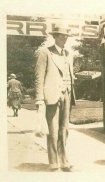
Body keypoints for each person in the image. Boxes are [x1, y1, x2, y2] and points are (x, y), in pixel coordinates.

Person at [35, 23, 76, 172]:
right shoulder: (45, 52)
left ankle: (64, 160)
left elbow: (69, 74)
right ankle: (53, 162)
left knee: (64, 130)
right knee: (53, 130)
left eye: (66, 36)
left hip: (67, 94)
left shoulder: (68, 54)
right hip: (51, 95)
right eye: (61, 35)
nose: (64, 38)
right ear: (55, 37)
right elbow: (39, 77)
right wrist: (39, 98)